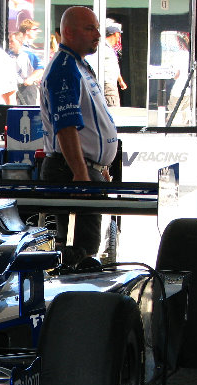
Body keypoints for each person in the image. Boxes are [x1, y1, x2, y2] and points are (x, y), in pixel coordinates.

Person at [40, 6, 118, 263]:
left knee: (85, 249)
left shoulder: (79, 65)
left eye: (97, 28)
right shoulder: (65, 67)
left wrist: (99, 165)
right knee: (67, 251)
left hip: (83, 168)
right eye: (90, 28)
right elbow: (66, 126)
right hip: (69, 169)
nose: (98, 34)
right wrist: (81, 172)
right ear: (69, 32)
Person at [85, 18, 127, 107]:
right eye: (119, 35)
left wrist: (120, 81)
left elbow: (113, 66)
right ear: (116, 34)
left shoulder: (109, 49)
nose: (119, 38)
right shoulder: (103, 48)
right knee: (113, 110)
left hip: (109, 84)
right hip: (108, 87)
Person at [8, 32, 39, 105]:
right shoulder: (8, 55)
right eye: (9, 41)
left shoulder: (28, 55)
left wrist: (30, 79)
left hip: (26, 88)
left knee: (27, 112)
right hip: (13, 88)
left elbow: (40, 69)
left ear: (19, 42)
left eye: (12, 41)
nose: (10, 43)